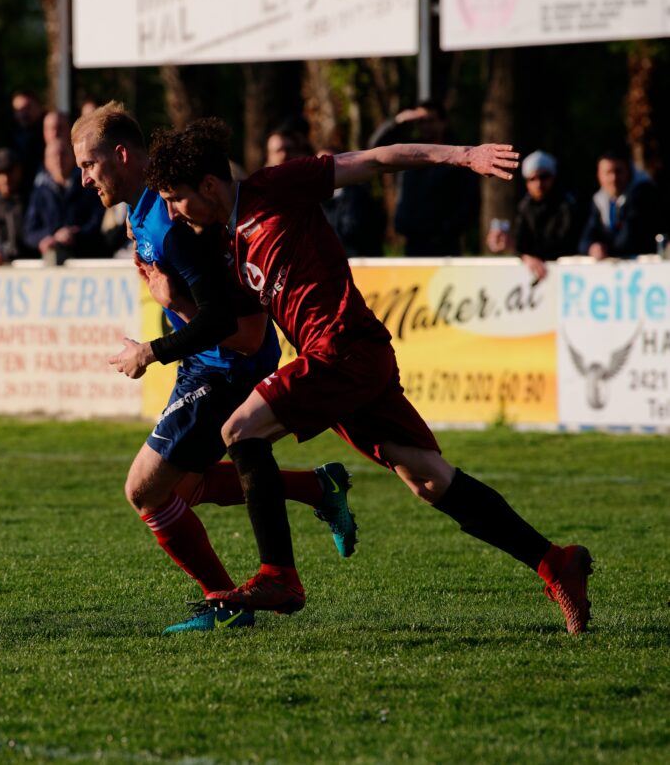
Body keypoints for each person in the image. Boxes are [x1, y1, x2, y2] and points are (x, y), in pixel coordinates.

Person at [128, 118, 592, 635]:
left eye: (174, 199)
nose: (170, 212)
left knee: (240, 430)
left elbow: (374, 160)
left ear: (209, 186)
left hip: (343, 348)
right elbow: (237, 334)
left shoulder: (275, 187)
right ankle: (556, 563)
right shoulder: (225, 244)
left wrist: (463, 155)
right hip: (341, 362)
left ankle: (278, 575)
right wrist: (173, 301)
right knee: (429, 479)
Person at [71, 102, 357, 633]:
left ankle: (229, 603)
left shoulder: (169, 220)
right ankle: (318, 490)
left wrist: (150, 349)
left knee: (145, 491)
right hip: (204, 365)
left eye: (89, 164)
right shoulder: (145, 212)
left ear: (122, 155)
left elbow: (229, 320)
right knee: (183, 490)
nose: (83, 178)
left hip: (223, 367)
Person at [369, 101, 479, 256]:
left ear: (443, 123)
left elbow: (469, 203)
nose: (425, 126)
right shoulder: (408, 155)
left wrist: (446, 229)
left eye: (430, 121)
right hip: (412, 242)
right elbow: (375, 150)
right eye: (420, 121)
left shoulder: (457, 158)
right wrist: (396, 122)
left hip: (445, 245)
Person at [486, 150, 581, 281]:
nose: (539, 184)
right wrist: (511, 248)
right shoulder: (525, 207)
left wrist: (518, 248)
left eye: (544, 177)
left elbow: (563, 245)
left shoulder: (567, 205)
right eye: (532, 179)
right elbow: (522, 240)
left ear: (553, 177)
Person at [24, 137, 106, 262]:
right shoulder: (39, 193)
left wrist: (75, 234)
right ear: (46, 162)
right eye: (53, 156)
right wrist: (50, 237)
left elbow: (99, 221)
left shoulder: (89, 186)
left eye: (63, 154)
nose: (59, 160)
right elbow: (29, 232)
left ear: (74, 158)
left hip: (88, 260)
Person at [578, 146, 662, 259]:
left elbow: (629, 239)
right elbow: (586, 238)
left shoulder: (643, 194)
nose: (614, 178)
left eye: (619, 171)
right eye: (608, 172)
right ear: (599, 175)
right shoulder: (599, 200)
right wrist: (592, 247)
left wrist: (606, 249)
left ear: (629, 172)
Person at [318, 147, 385, 258]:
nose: (322, 169)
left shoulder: (357, 194)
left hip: (360, 264)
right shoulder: (315, 199)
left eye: (328, 163)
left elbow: (352, 231)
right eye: (318, 165)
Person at [11, 89, 45, 188]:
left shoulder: (50, 130)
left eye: (28, 108)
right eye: (18, 110)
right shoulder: (11, 135)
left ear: (38, 106)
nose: (23, 113)